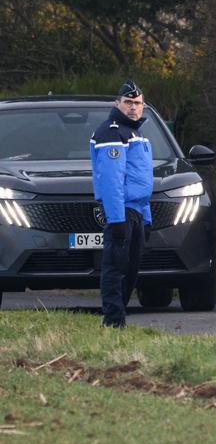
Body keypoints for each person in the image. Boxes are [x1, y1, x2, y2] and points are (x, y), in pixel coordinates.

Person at [89, 80, 153, 328]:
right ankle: (113, 320)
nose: (133, 108)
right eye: (128, 102)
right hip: (122, 210)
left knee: (131, 268)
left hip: (136, 209)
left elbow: (142, 179)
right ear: (117, 104)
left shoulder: (136, 132)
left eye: (137, 103)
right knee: (115, 267)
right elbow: (112, 181)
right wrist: (116, 219)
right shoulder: (112, 132)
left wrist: (146, 217)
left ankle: (119, 316)